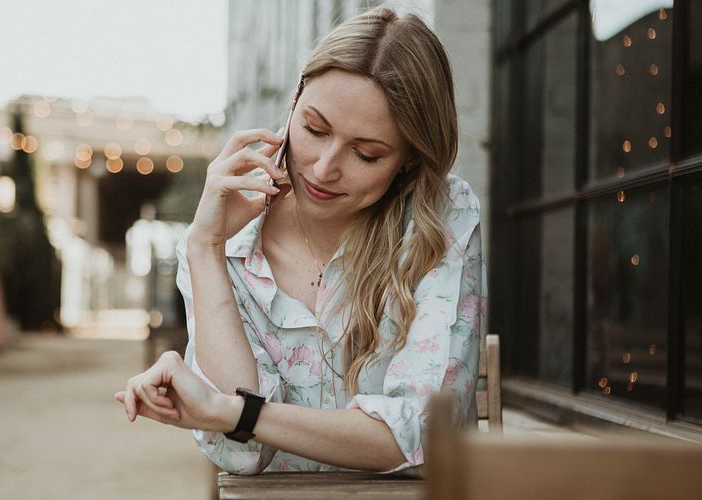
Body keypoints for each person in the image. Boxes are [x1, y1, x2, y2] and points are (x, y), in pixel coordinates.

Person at [115, 5, 485, 475]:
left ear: (409, 159)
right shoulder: (227, 242)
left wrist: (240, 414)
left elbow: (426, 437)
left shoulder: (440, 218)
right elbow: (242, 452)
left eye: (367, 153)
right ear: (293, 103)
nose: (324, 168)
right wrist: (203, 249)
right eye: (314, 128)